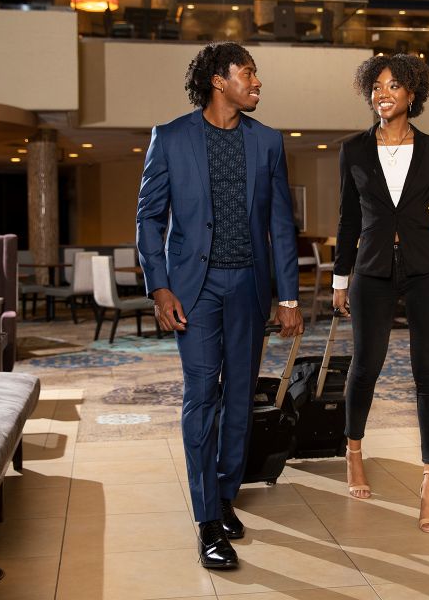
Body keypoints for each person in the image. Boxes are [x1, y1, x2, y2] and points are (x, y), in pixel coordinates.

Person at [136, 41, 304, 569]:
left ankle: (226, 490)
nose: (257, 83)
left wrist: (289, 296)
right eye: (248, 74)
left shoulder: (268, 142)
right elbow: (149, 219)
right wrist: (159, 286)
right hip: (195, 290)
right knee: (202, 394)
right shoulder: (170, 138)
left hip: (250, 288)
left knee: (239, 399)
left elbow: (281, 224)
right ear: (218, 80)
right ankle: (208, 519)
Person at [332, 53, 429, 533]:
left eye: (393, 86)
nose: (382, 94)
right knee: (365, 366)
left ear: (413, 94)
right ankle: (354, 452)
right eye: (376, 86)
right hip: (371, 271)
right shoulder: (352, 149)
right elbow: (348, 219)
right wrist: (339, 278)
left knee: (428, 372)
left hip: (427, 271)